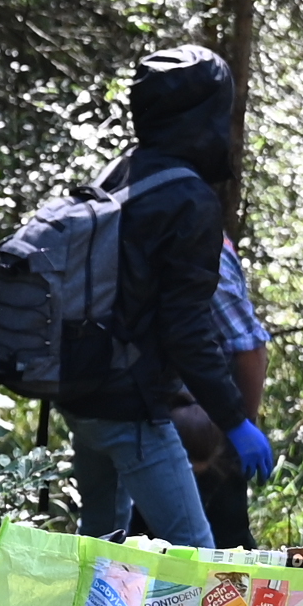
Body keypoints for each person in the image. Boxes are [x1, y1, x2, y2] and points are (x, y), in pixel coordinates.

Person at [56, 45, 265, 553]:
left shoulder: (119, 174)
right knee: (195, 556)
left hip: (81, 396)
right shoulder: (188, 199)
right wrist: (237, 421)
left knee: (103, 551)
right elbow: (186, 325)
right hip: (134, 410)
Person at [176, 237, 277, 549]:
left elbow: (248, 347)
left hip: (206, 420)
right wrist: (240, 424)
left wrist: (238, 427)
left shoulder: (206, 242)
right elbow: (248, 346)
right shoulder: (195, 243)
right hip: (184, 421)